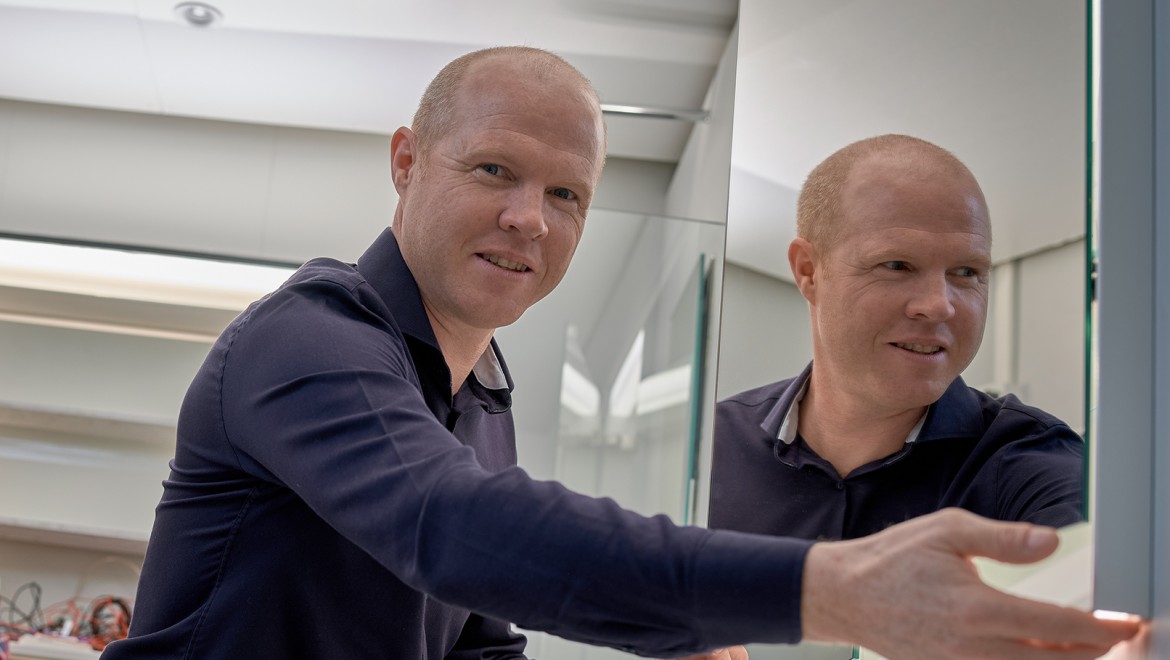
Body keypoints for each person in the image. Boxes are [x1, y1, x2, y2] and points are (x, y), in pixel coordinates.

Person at [101, 50, 1138, 660]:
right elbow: (452, 528)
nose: (528, 221)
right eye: (495, 169)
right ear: (408, 162)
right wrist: (830, 588)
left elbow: (478, 640)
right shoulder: (307, 339)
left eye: (566, 195)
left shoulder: (484, 400)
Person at [709, 134, 1084, 542]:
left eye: (966, 272)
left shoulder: (1033, 464)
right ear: (808, 271)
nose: (940, 306)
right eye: (897, 265)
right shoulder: (713, 447)